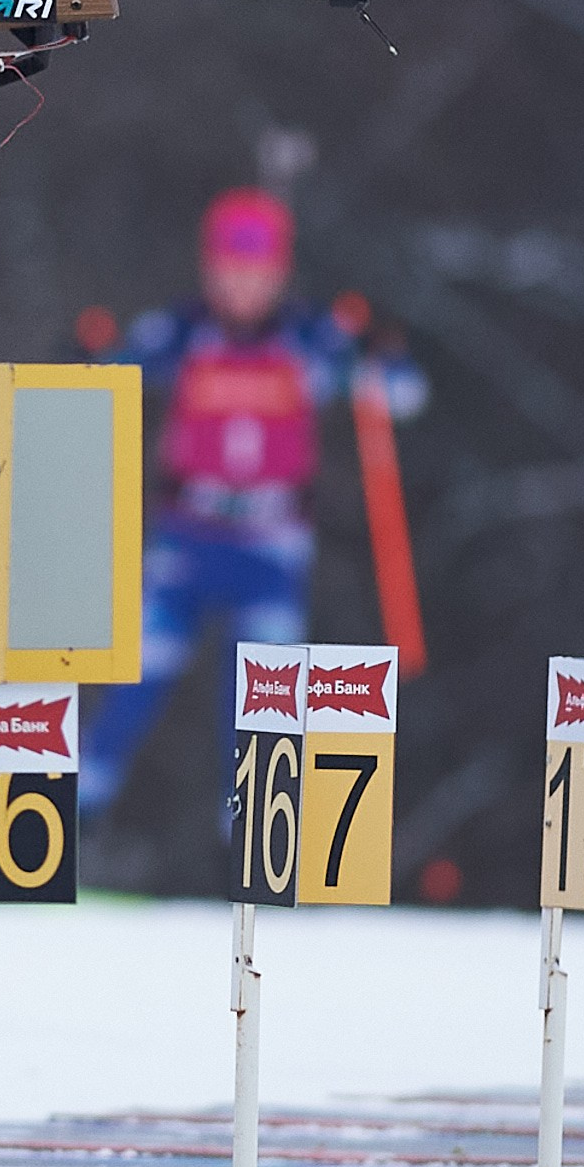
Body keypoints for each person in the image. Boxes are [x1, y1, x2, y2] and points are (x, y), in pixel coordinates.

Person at [73, 187, 426, 827]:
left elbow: (401, 396)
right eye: (228, 272)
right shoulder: (184, 331)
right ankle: (74, 809)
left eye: (255, 274)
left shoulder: (308, 337)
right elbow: (107, 371)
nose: (240, 287)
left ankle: (252, 832)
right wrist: (86, 353)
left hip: (272, 545)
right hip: (186, 539)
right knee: (138, 674)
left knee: (261, 695)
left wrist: (383, 352)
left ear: (279, 274)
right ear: (209, 270)